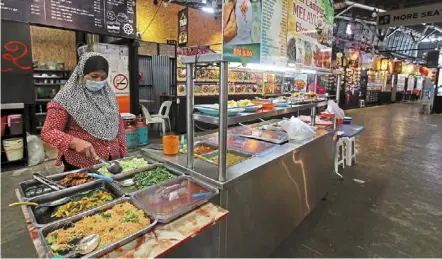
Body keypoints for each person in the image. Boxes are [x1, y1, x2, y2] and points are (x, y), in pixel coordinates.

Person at [41, 52, 128, 171]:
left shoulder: (109, 97)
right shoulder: (66, 99)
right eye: (94, 76)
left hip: (112, 161)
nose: (98, 81)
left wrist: (124, 154)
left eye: (103, 78)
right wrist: (73, 142)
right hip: (81, 165)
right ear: (81, 73)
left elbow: (119, 128)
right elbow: (48, 132)